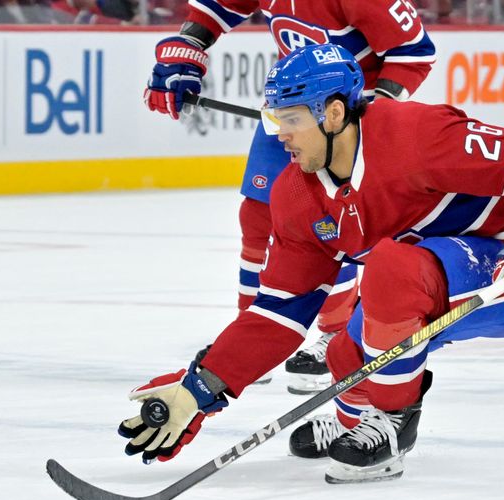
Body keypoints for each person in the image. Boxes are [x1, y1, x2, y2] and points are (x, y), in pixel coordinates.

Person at [120, 44, 504, 484]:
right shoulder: (296, 197)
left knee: (390, 270)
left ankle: (393, 422)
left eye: (292, 119)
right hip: (421, 279)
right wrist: (199, 389)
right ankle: (354, 421)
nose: (280, 134)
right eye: (275, 118)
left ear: (334, 113)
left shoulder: (413, 133)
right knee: (343, 352)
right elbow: (277, 314)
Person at [143, 0, 436, 393]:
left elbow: (414, 52)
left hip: (341, 120)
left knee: (334, 223)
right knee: (256, 218)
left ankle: (334, 333)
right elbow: (220, 6)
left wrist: (367, 111)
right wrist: (189, 46)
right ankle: (246, 339)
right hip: (288, 107)